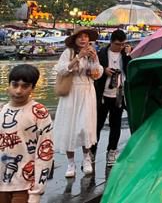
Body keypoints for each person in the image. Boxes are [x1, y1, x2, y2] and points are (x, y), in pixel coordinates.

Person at [53, 27, 103, 178]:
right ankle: (71, 163)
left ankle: (87, 158)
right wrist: (78, 57)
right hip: (71, 91)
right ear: (74, 39)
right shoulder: (68, 53)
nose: (83, 39)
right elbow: (61, 70)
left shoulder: (92, 53)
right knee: (70, 127)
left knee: (85, 127)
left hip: (87, 91)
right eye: (80, 36)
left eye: (86, 36)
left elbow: (97, 73)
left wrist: (94, 60)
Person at [0, 64, 53, 203]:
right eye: (15, 85)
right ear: (8, 85)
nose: (19, 91)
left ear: (32, 88)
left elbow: (45, 152)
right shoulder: (2, 110)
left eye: (25, 86)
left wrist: (37, 191)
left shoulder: (39, 112)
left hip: (25, 184)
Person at [91, 30, 131, 167]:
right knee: (97, 125)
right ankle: (92, 152)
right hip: (102, 94)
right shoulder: (101, 53)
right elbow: (93, 70)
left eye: (123, 44)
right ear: (111, 42)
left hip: (118, 95)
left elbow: (130, 71)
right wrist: (104, 70)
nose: (120, 47)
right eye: (118, 44)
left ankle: (112, 151)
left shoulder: (125, 55)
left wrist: (128, 55)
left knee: (116, 125)